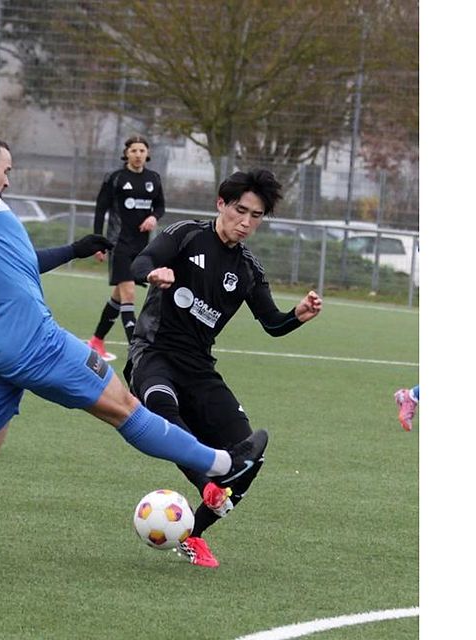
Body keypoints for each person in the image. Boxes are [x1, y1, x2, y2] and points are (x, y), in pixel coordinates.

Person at [0, 132, 269, 570]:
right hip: (33, 342)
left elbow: (23, 261)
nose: (8, 179)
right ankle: (222, 463)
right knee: (125, 407)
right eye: (6, 170)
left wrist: (74, 251)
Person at [124, 169, 323, 568]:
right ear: (221, 204)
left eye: (256, 216)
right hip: (154, 354)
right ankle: (208, 483)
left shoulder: (248, 269)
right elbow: (140, 261)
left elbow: (272, 324)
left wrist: (297, 315)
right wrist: (152, 273)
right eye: (239, 210)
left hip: (199, 367)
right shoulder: (186, 235)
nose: (246, 222)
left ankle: (193, 534)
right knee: (162, 406)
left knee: (250, 457)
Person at [87, 135, 165, 361]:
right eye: (134, 151)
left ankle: (96, 341)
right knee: (129, 293)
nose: (138, 154)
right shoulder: (115, 178)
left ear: (147, 154)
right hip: (118, 244)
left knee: (119, 296)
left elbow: (160, 206)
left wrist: (153, 217)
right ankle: (136, 350)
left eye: (142, 150)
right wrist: (98, 242)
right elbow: (100, 210)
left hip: (141, 247)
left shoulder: (154, 178)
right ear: (126, 154)